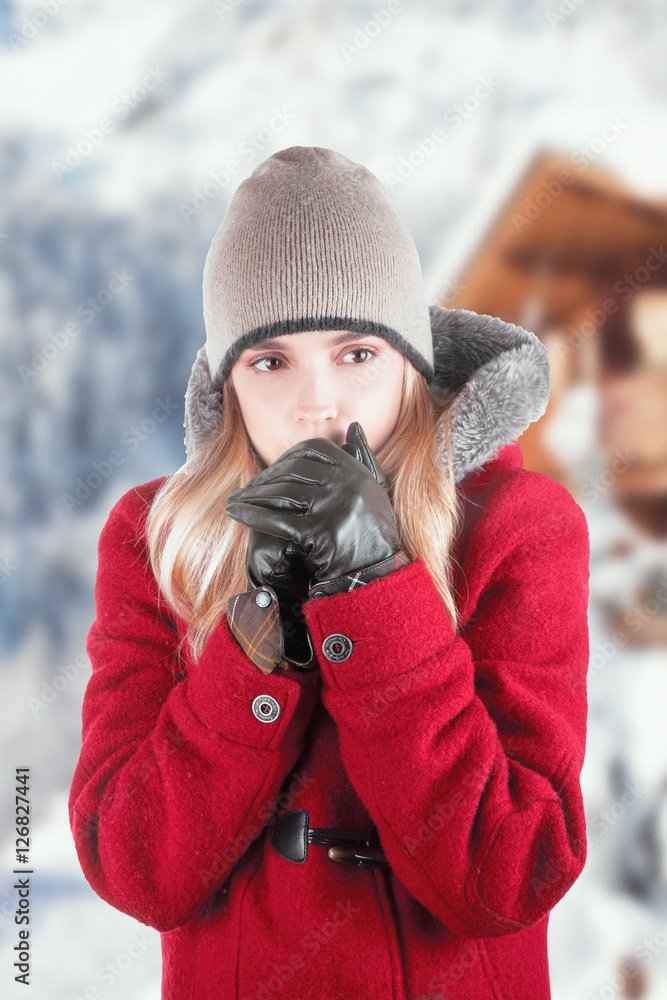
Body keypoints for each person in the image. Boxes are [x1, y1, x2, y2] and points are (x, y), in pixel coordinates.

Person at [68, 146, 590, 1000]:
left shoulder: (517, 525)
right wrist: (254, 653)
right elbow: (134, 871)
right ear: (228, 384)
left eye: (356, 353)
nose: (317, 404)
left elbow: (511, 877)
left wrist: (376, 589)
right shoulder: (154, 537)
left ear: (410, 361)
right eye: (270, 361)